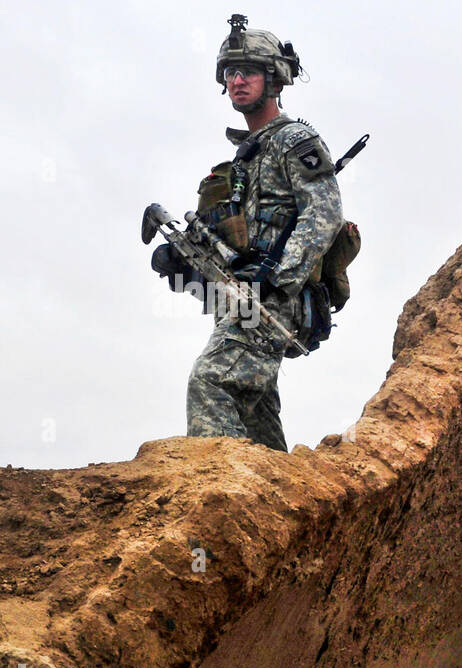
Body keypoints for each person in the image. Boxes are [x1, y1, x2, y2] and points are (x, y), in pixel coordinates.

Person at [154, 15, 344, 452]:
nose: (237, 81)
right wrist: (185, 263)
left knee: (212, 384)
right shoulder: (245, 157)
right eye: (230, 73)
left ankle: (218, 493)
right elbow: (238, 244)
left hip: (272, 301)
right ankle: (282, 508)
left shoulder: (294, 139)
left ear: (273, 77)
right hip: (241, 300)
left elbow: (325, 213)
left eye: (249, 72)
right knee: (255, 417)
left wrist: (275, 280)